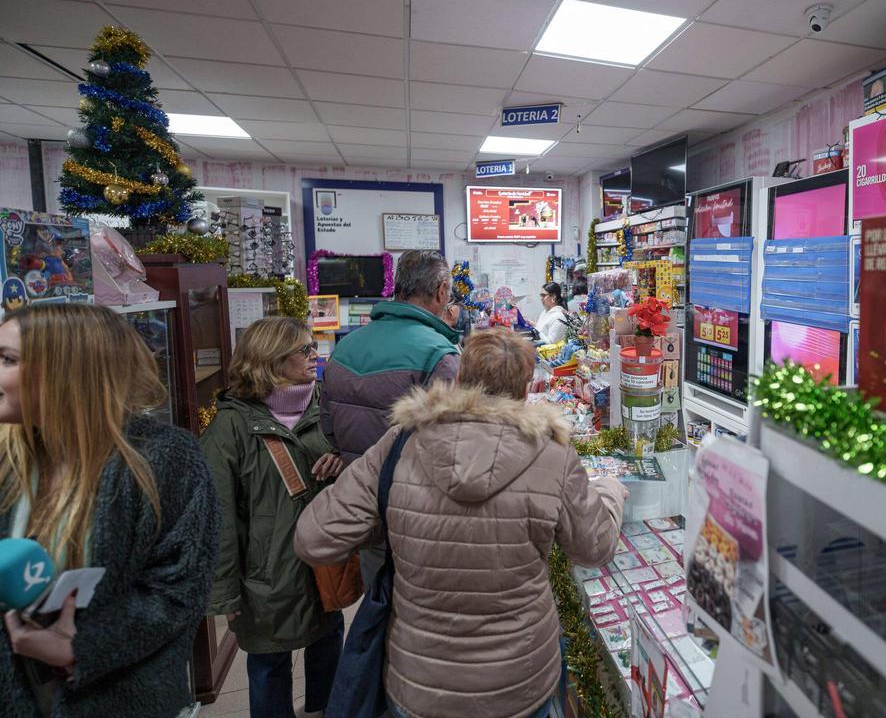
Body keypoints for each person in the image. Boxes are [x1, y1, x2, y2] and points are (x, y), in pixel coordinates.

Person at [294, 329, 628, 718]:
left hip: (420, 682)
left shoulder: (402, 442)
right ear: (524, 390)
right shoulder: (553, 454)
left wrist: (389, 517)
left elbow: (314, 538)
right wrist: (609, 492)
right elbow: (595, 548)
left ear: (460, 379)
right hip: (518, 682)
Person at [0, 303, 219, 718]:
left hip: (116, 697)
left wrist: (79, 649)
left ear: (67, 371)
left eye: (8, 359)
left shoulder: (166, 460)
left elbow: (176, 593)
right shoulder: (9, 458)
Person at [201, 317, 345, 718]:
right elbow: (218, 518)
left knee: (329, 642)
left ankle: (323, 710)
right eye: (304, 350)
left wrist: (342, 460)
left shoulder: (327, 407)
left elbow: (359, 470)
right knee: (268, 664)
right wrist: (225, 592)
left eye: (312, 347)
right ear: (271, 358)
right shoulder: (230, 428)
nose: (314, 356)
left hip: (324, 564)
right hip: (265, 578)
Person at [321, 250, 461, 466]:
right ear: (441, 291)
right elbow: (451, 440)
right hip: (410, 490)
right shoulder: (440, 354)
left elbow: (328, 427)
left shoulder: (344, 346)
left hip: (354, 485)